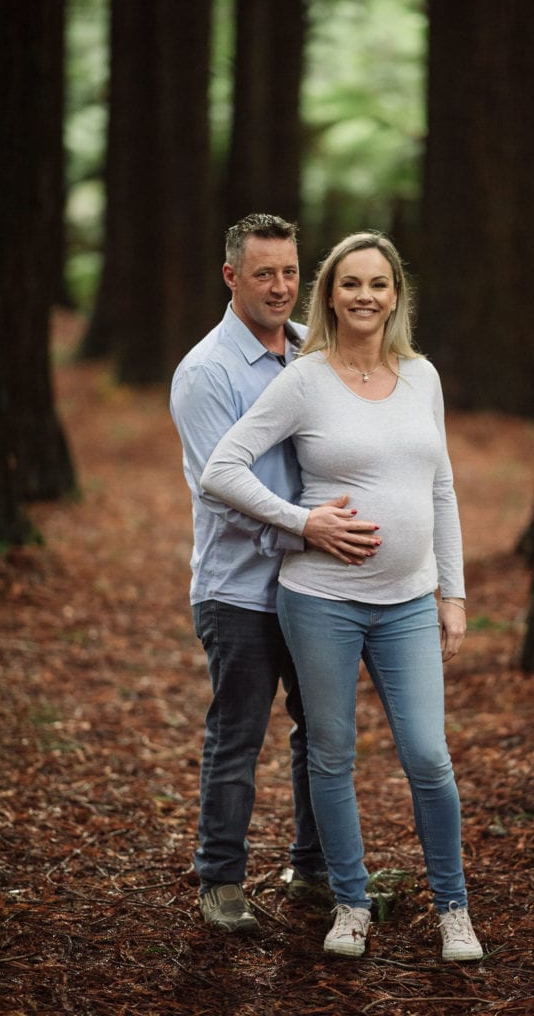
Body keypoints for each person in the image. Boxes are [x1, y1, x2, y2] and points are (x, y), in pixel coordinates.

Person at [199, 231, 483, 962]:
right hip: (319, 599)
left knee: (428, 757)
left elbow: (442, 488)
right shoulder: (304, 378)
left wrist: (452, 594)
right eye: (350, 283)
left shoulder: (423, 376)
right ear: (329, 294)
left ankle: (453, 907)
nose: (365, 296)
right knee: (330, 755)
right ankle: (350, 902)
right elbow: (221, 470)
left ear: (396, 296)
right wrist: (303, 522)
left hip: (410, 602)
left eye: (378, 285)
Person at [170, 215, 381, 935]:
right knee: (238, 735)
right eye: (264, 274)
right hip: (239, 590)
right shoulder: (206, 371)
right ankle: (220, 879)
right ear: (231, 276)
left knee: (319, 735)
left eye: (290, 273)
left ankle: (312, 868)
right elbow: (218, 489)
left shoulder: (307, 352)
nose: (280, 287)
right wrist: (305, 528)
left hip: (314, 584)